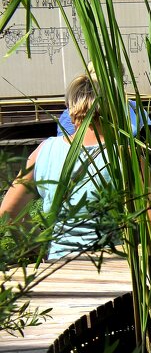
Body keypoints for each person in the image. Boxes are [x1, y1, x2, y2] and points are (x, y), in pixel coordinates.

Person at [1, 74, 115, 260]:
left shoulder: (44, 150)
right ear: (113, 106)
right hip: (112, 266)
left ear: (70, 107)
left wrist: (42, 248)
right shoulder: (124, 154)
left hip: (60, 263)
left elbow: (9, 212)